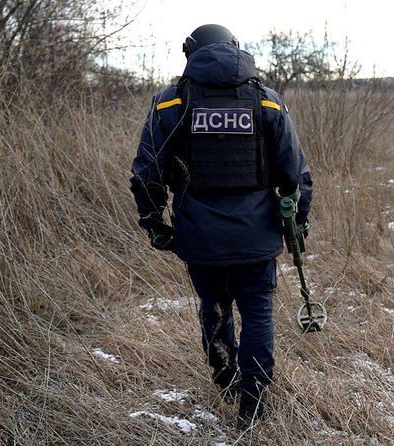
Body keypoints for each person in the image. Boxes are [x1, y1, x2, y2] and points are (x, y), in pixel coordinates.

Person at [129, 23, 313, 429]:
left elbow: (145, 173)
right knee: (259, 315)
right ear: (235, 49)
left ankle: (226, 380)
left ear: (190, 52)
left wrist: (154, 223)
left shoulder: (170, 103)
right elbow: (296, 175)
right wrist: (297, 225)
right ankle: (254, 401)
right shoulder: (267, 101)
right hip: (257, 237)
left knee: (213, 310)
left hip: (200, 237)